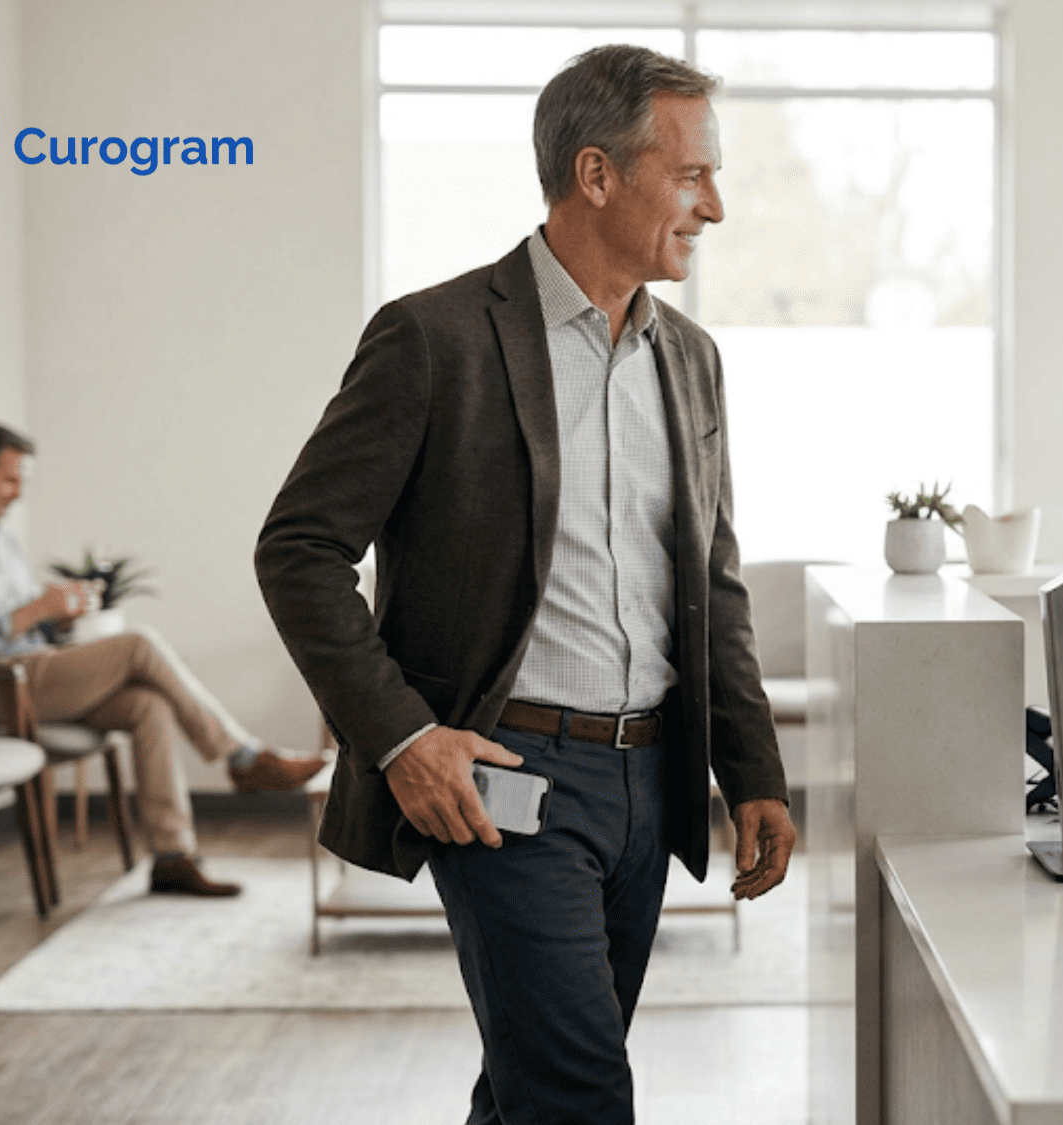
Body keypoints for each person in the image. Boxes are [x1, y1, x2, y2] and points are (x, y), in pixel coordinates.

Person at [255, 45, 794, 1124]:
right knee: (579, 1093)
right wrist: (405, 739)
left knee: (532, 1088)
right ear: (596, 175)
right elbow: (301, 549)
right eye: (691, 175)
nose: (715, 207)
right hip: (507, 777)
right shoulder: (433, 338)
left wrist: (754, 769)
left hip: (651, 777)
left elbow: (709, 583)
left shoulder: (688, 357)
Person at [0, 424, 325, 897]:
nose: (19, 493)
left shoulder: (3, 543)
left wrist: (59, 617)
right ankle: (243, 756)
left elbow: (29, 626)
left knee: (149, 706)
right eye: (11, 480)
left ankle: (171, 856)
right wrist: (38, 608)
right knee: (138, 644)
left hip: (34, 674)